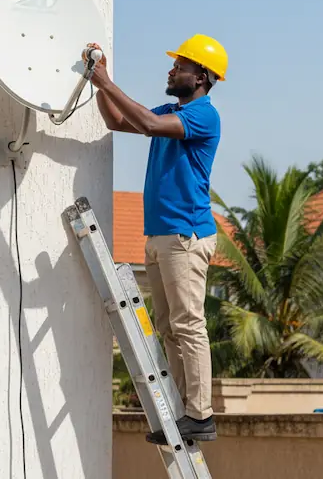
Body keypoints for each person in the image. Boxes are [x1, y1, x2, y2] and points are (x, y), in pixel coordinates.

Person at [85, 34, 227, 444]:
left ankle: (201, 414)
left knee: (188, 324)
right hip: (162, 235)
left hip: (186, 236)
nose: (171, 70)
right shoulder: (174, 110)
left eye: (180, 66)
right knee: (168, 326)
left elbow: (147, 124)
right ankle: (185, 411)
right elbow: (117, 120)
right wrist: (97, 81)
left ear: (201, 76)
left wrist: (106, 81)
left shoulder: (204, 115)